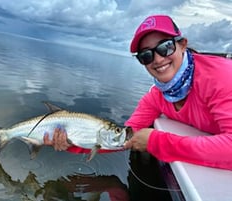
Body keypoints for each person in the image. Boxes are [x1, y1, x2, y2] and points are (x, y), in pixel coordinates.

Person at [44, 14, 232, 170]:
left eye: (165, 47)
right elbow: (124, 139)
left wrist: (158, 142)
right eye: (146, 55)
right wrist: (73, 143)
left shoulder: (222, 77)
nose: (157, 60)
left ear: (182, 44)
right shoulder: (157, 96)